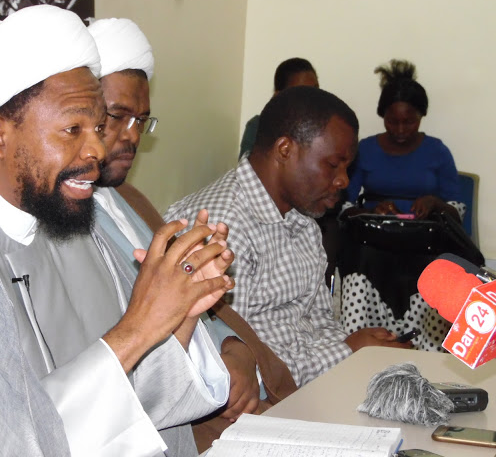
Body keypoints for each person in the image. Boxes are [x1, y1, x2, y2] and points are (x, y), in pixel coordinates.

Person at [0, 5, 235, 457]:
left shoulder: (71, 219)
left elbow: (129, 399)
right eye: (73, 128)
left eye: (98, 126)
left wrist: (179, 311)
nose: (97, 149)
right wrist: (138, 328)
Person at [87, 18, 298, 452]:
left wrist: (236, 349)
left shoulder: (129, 198)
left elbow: (195, 307)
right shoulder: (57, 222)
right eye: (118, 116)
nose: (132, 135)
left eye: (141, 120)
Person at [166, 86, 412, 389]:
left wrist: (360, 353)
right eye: (333, 165)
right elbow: (234, 365)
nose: (343, 181)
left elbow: (320, 324)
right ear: (285, 150)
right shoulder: (223, 228)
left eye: (347, 168)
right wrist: (349, 351)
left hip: (309, 388)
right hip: (260, 403)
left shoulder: (303, 221)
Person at [339, 59, 465, 351]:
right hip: (374, 241)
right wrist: (371, 211)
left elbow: (457, 209)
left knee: (437, 269)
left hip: (424, 242)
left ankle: (425, 352)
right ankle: (364, 346)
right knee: (358, 262)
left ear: (421, 116)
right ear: (382, 116)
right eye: (392, 121)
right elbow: (344, 205)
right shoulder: (365, 149)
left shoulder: (437, 151)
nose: (400, 129)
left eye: (409, 121)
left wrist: (435, 203)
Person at [239, 57, 318, 159]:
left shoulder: (324, 129)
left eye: (315, 90)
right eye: (301, 93)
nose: (311, 98)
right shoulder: (258, 127)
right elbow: (248, 167)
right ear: (279, 96)